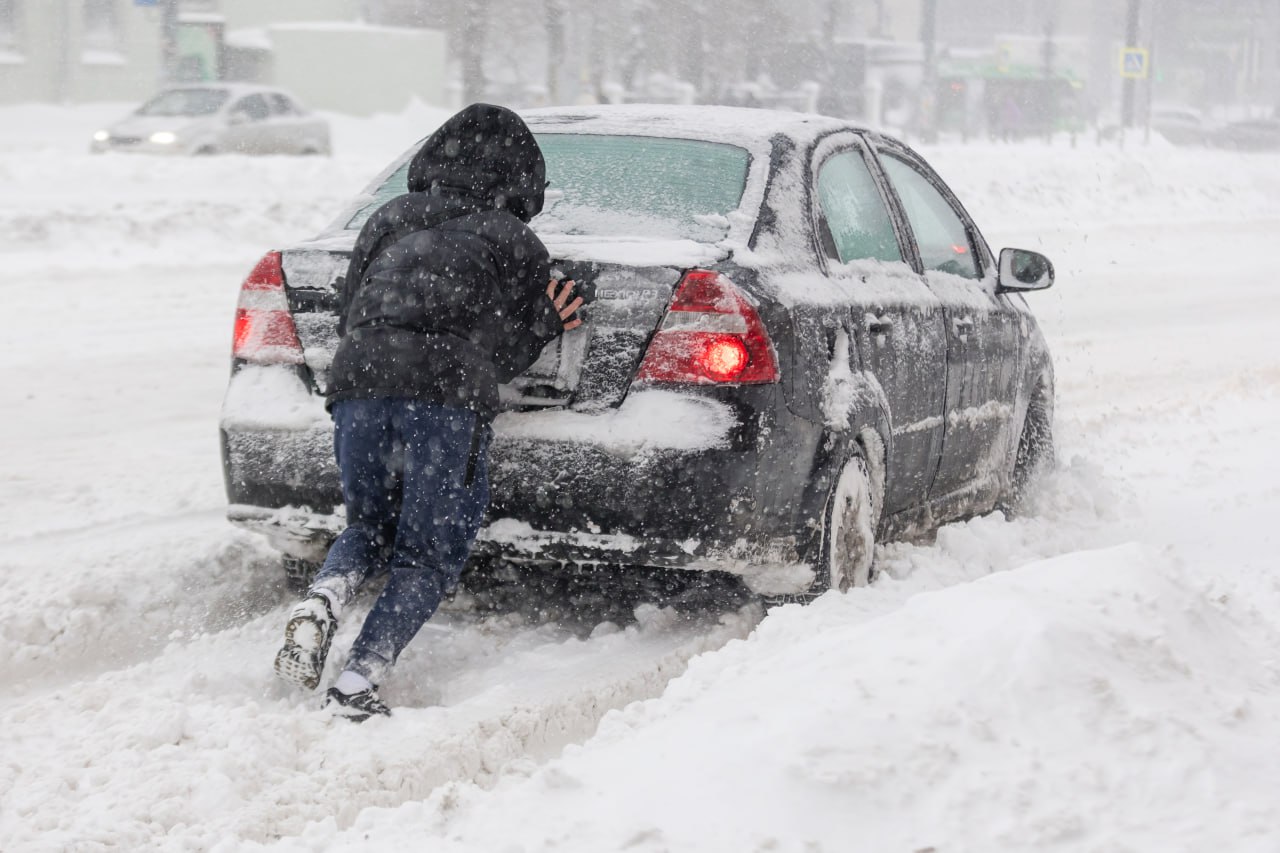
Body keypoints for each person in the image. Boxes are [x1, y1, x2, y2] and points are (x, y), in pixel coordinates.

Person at [272, 103, 582, 721]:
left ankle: (325, 597)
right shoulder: (517, 241)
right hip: (444, 398)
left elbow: (350, 308)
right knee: (426, 554)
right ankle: (357, 681)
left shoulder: (388, 219)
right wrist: (552, 318)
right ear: (523, 179)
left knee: (366, 528)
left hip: (357, 382)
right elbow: (505, 355)